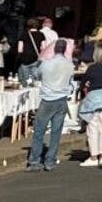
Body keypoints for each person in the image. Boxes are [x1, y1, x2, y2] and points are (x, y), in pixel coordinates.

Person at [27, 39, 74, 172]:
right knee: (56, 132)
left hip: (47, 99)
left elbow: (36, 75)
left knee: (39, 131)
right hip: (61, 99)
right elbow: (71, 81)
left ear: (54, 49)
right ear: (65, 50)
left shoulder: (46, 64)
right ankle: (50, 160)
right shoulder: (69, 65)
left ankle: (35, 160)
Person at [80, 47, 102, 166]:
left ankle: (93, 156)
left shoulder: (91, 68)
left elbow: (84, 82)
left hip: (93, 99)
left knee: (93, 127)